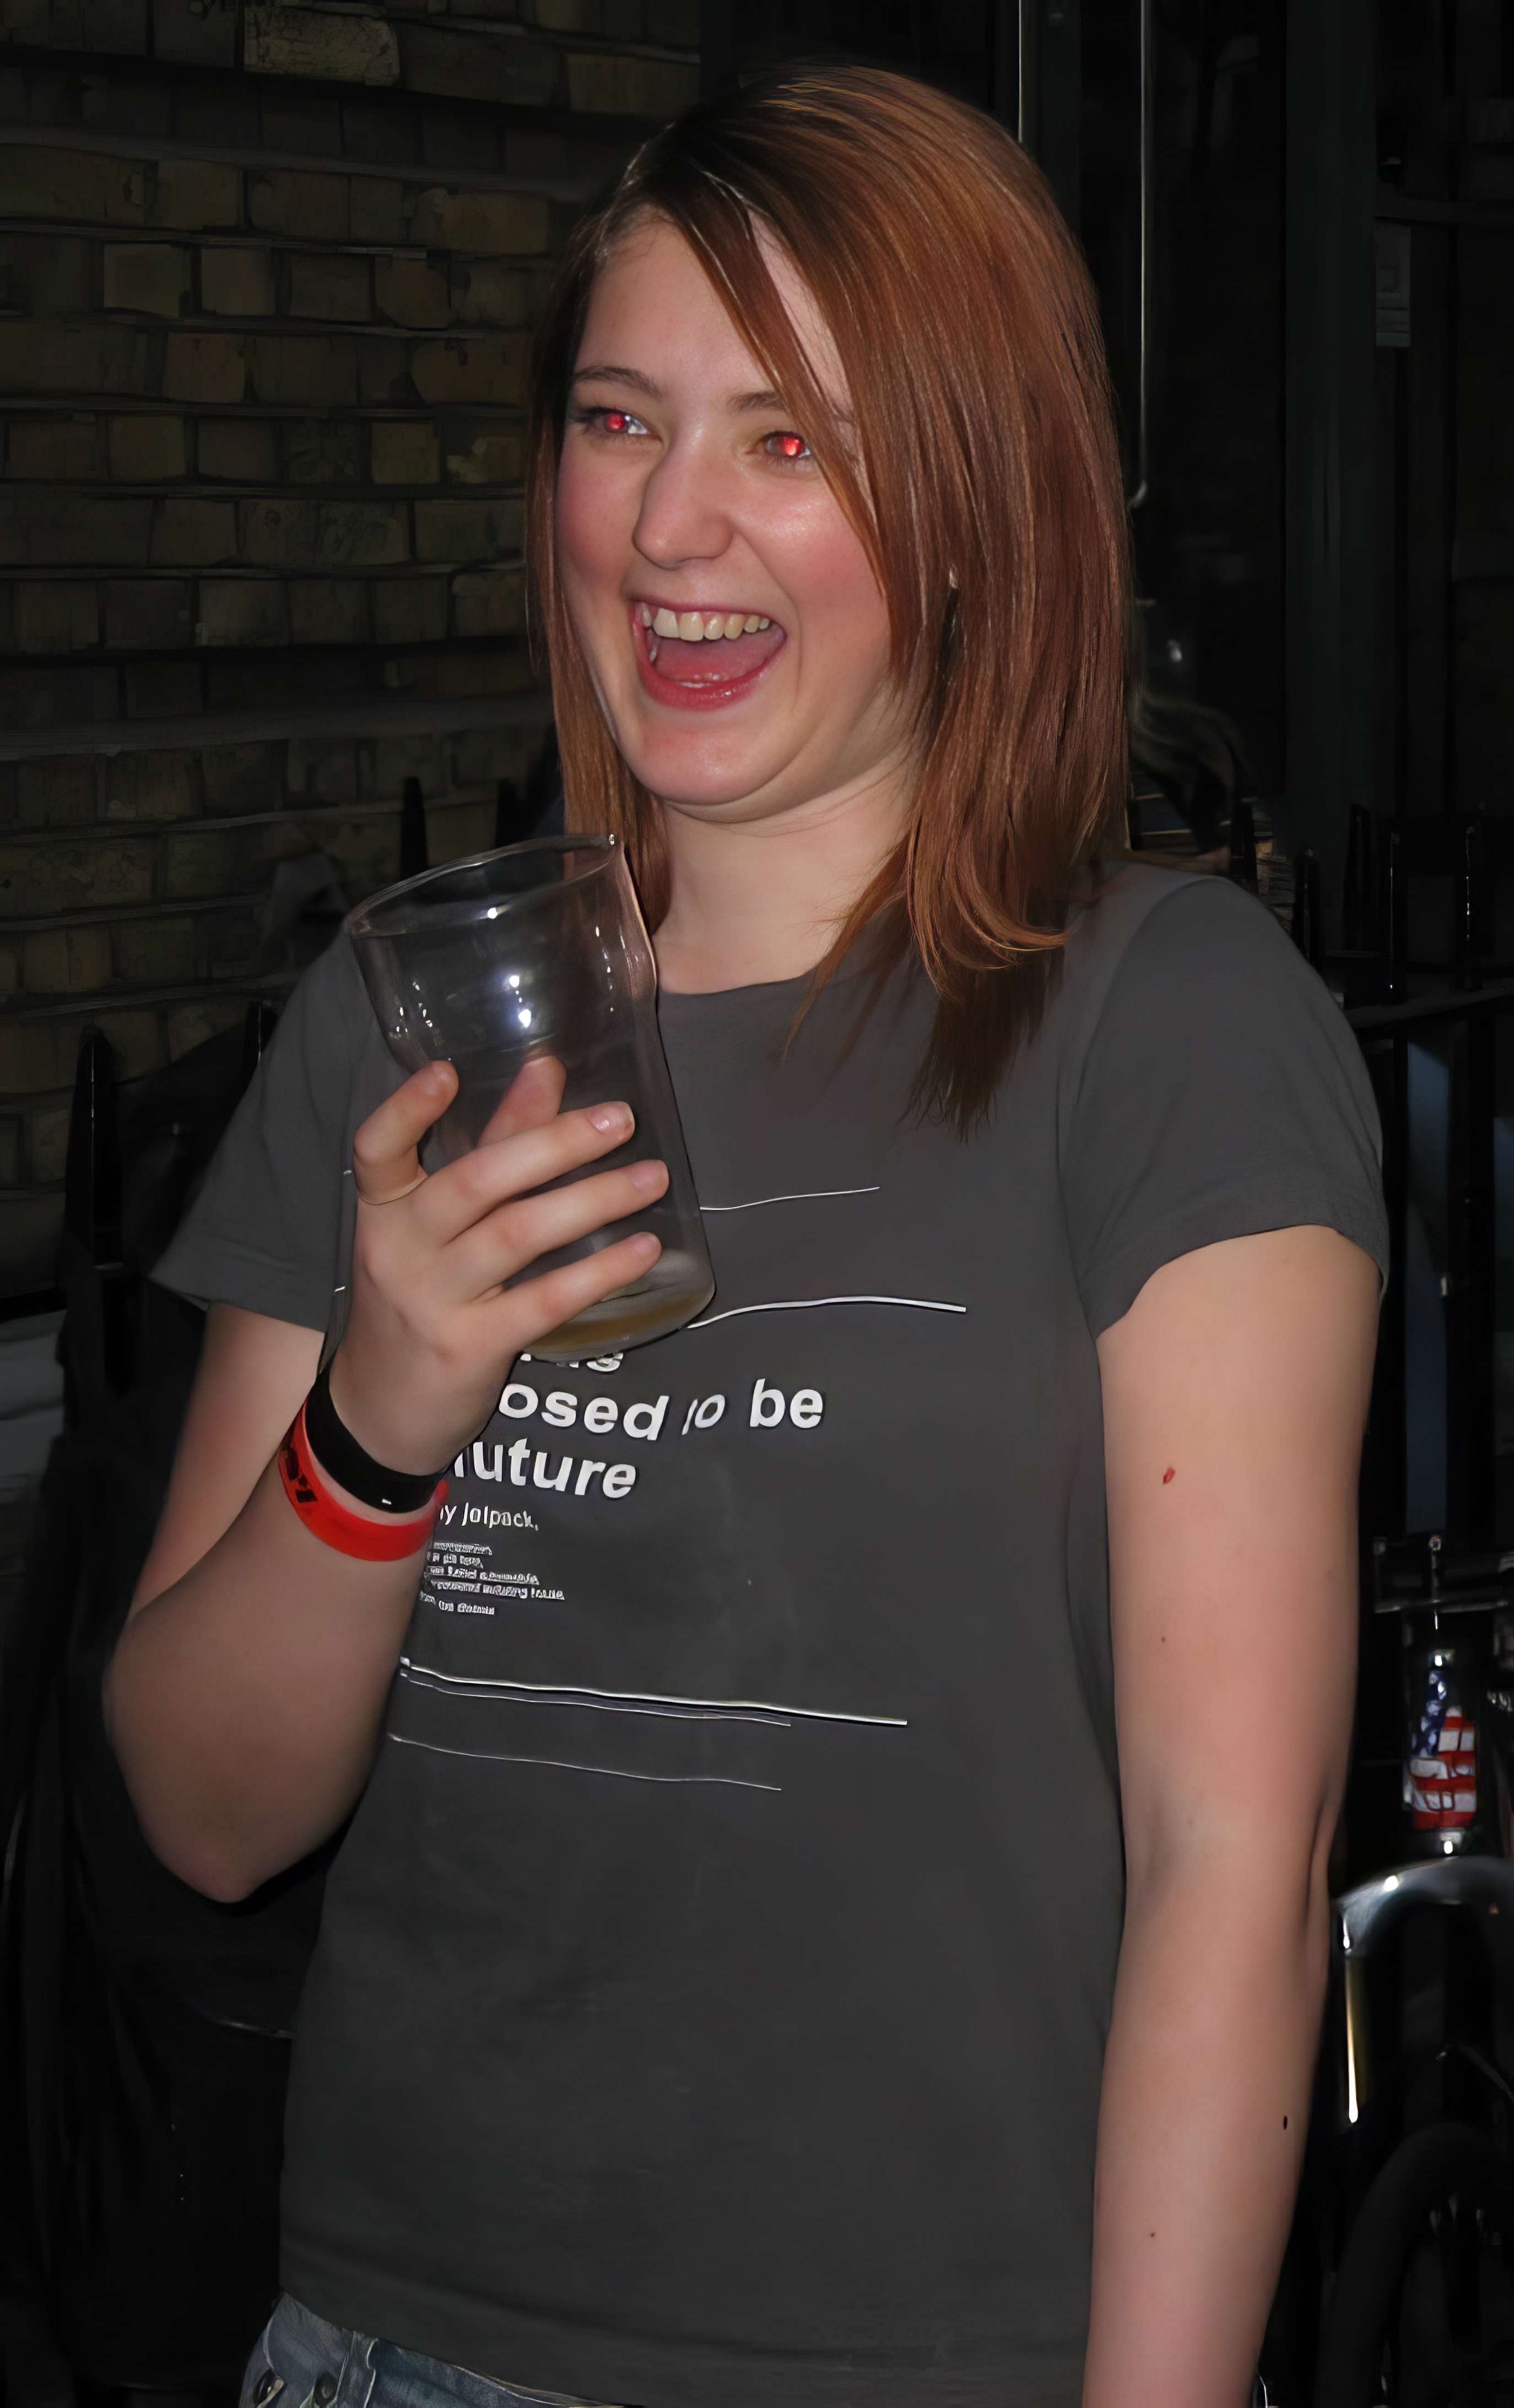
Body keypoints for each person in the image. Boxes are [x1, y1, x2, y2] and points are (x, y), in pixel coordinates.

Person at [106, 66, 1386, 2408]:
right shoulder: (404, 1022)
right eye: (620, 420)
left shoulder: (1165, 1025)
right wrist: (380, 1415)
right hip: (386, 2347)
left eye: (790, 440)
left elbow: (1237, 1851)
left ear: (975, 499)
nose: (673, 524)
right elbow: (201, 1814)